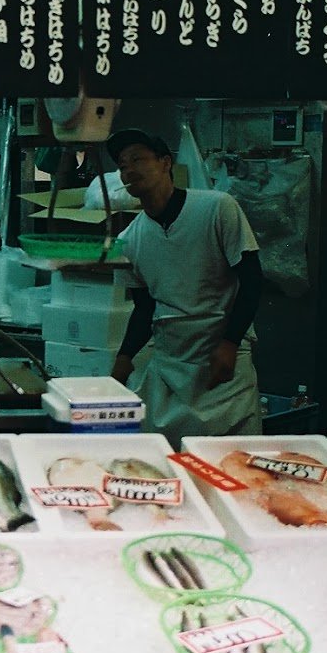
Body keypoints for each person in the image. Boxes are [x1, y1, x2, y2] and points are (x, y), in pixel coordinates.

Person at [107, 128, 264, 443]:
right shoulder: (126, 241)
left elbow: (252, 280)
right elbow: (144, 307)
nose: (129, 170)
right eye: (123, 165)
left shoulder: (218, 208)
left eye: (138, 158)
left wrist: (230, 342)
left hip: (221, 364)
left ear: (165, 163)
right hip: (169, 366)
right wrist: (122, 361)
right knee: (169, 464)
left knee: (230, 459)